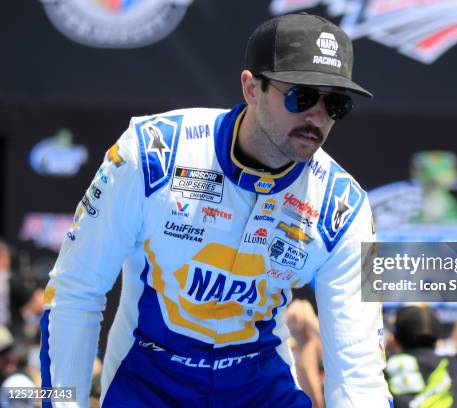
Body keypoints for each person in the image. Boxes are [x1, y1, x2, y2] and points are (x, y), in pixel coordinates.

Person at [40, 12, 391, 408]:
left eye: (336, 104)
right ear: (251, 88)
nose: (317, 116)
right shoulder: (153, 152)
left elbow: (357, 365)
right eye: (302, 96)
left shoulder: (346, 208)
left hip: (259, 389)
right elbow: (76, 291)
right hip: (147, 382)